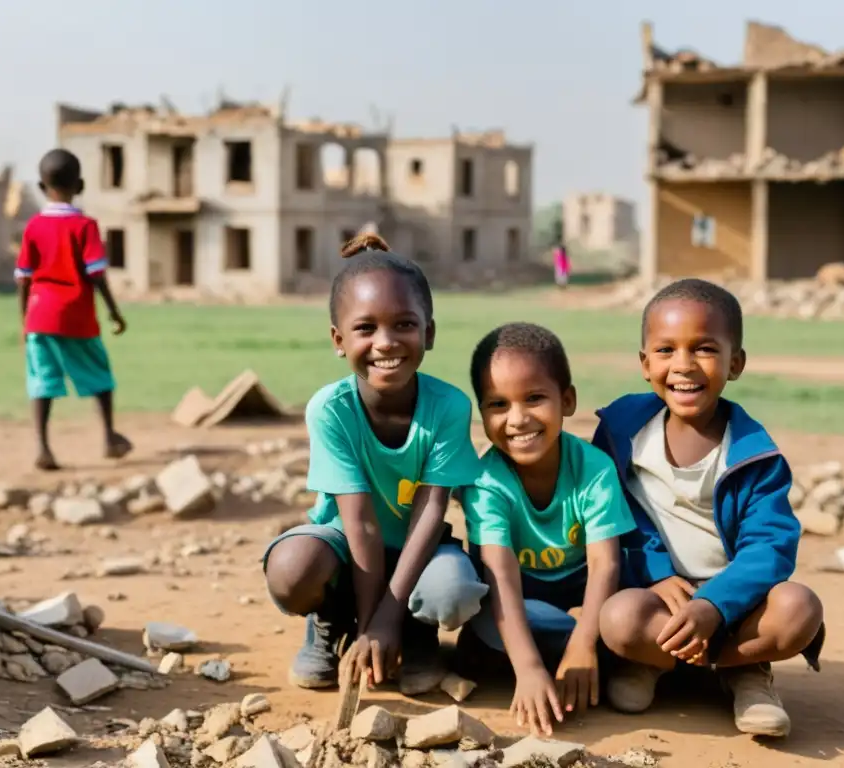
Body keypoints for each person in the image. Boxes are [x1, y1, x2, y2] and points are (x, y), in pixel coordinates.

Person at [592, 278, 825, 738]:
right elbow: (611, 513)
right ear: (644, 363)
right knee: (617, 618)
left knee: (800, 609)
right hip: (660, 597)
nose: (684, 366)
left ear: (734, 363)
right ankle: (656, 662)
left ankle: (742, 672)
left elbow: (770, 548)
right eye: (665, 350)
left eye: (703, 349)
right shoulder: (621, 430)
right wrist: (657, 571)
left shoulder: (756, 455)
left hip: (737, 605)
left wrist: (716, 604)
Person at [262, 233, 489, 693]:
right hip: (346, 549)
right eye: (365, 329)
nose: (385, 343)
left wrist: (389, 621)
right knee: (292, 567)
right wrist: (369, 628)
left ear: (429, 331)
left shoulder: (448, 406)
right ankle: (333, 625)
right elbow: (360, 526)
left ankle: (416, 631)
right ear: (338, 339)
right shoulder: (330, 409)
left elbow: (431, 509)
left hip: (416, 551)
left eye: (404, 325)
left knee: (454, 589)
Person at [460, 323, 636, 736]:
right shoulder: (486, 482)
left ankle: (582, 645)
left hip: (583, 592)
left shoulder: (593, 468)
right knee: (490, 625)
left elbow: (605, 563)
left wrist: (582, 642)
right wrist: (529, 668)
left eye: (535, 398)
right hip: (518, 604)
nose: (518, 419)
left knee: (622, 619)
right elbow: (499, 576)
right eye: (497, 405)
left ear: (567, 400)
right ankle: (567, 653)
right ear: (482, 412)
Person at [14, 148, 131, 471]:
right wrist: (114, 312)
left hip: (39, 316)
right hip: (77, 316)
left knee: (41, 380)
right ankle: (109, 437)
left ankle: (43, 447)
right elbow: (97, 275)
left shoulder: (33, 227)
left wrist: (25, 321)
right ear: (80, 186)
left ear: (41, 187)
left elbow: (23, 279)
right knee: (99, 374)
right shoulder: (85, 226)